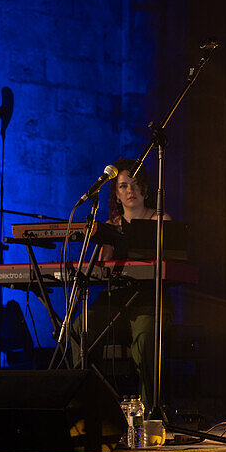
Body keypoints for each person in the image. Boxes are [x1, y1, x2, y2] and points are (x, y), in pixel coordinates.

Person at [82, 158, 173, 408]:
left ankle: (150, 410)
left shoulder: (160, 220)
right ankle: (91, 406)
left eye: (135, 184)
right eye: (123, 186)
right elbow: (103, 268)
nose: (130, 190)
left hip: (148, 300)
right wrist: (103, 240)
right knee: (79, 328)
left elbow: (169, 264)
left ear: (145, 189)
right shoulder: (110, 226)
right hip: (117, 300)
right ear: (117, 194)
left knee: (145, 338)